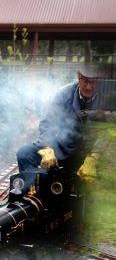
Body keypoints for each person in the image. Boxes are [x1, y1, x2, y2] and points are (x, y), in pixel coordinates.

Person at [16, 65, 106, 194]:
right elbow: (48, 122)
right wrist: (47, 147)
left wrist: (94, 158)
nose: (89, 86)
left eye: (94, 82)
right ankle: (31, 197)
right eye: (85, 80)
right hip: (62, 149)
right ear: (78, 77)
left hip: (89, 154)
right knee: (24, 154)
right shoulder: (64, 93)